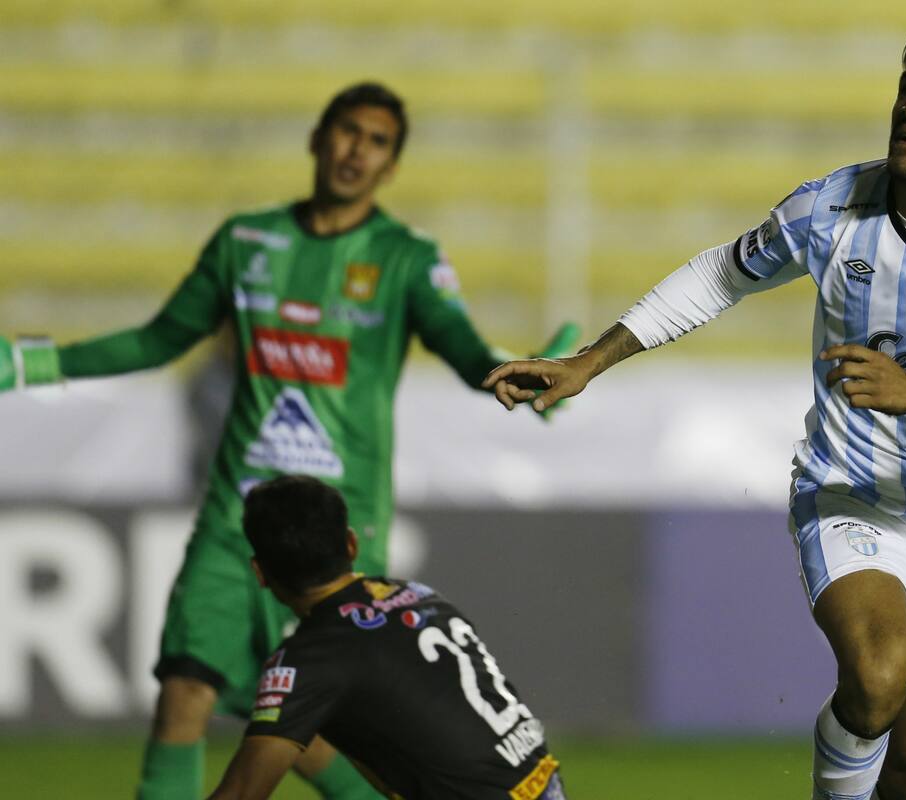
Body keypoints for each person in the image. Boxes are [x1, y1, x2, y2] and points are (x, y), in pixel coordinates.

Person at [486, 27, 906, 800]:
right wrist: (588, 362)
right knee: (876, 678)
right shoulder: (831, 207)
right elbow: (719, 275)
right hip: (851, 495)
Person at [0, 82, 576, 799]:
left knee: (305, 724)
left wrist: (515, 377)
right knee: (185, 687)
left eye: (376, 142)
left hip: (337, 522)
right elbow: (160, 338)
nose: (355, 151)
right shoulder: (246, 243)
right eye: (346, 132)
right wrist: (35, 362)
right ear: (316, 137)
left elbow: (457, 343)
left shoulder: (405, 257)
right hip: (234, 518)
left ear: (391, 166)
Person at [206, 475, 566, 800]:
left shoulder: (306, 662)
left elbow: (241, 795)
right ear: (350, 544)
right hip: (542, 784)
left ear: (260, 573)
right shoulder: (419, 594)